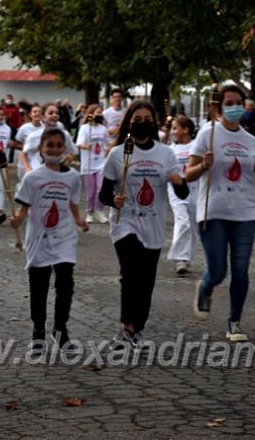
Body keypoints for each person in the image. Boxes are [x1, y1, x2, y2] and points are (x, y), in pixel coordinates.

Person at [186, 84, 255, 341]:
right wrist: (203, 165)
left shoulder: (250, 140)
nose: (235, 107)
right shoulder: (208, 134)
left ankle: (234, 322)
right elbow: (188, 173)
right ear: (218, 107)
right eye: (229, 103)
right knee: (218, 271)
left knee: (241, 270)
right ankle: (205, 287)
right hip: (213, 211)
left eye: (239, 102)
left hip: (245, 213)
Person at [98, 100, 189, 348]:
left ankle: (138, 328)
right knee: (130, 273)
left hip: (154, 225)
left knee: (146, 280)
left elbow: (183, 194)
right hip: (124, 223)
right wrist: (113, 200)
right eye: (137, 119)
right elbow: (103, 194)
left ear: (154, 122)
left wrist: (177, 180)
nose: (142, 123)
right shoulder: (118, 154)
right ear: (129, 122)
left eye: (147, 119)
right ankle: (126, 327)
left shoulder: (165, 154)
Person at [10, 127, 88, 348]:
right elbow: (24, 209)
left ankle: (60, 328)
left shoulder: (73, 177)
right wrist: (17, 220)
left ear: (64, 149)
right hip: (39, 238)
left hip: (64, 237)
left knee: (65, 284)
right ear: (41, 150)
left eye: (58, 145)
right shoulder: (32, 178)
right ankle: (38, 329)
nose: (54, 149)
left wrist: (79, 220)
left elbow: (72, 202)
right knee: (39, 286)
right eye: (49, 145)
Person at [167, 115, 199, 274]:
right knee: (183, 221)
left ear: (186, 130)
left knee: (193, 227)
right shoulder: (171, 150)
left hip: (195, 191)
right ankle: (179, 258)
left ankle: (186, 259)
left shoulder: (196, 147)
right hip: (176, 192)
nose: (172, 131)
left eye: (175, 128)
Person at [21, 103, 77, 175]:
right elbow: (23, 154)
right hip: (38, 174)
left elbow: (72, 152)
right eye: (51, 113)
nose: (54, 115)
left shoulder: (65, 135)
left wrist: (68, 159)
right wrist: (27, 169)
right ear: (42, 117)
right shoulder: (34, 136)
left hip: (57, 174)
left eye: (57, 113)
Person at [75, 104, 108, 224]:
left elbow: (107, 144)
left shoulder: (103, 129)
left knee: (102, 189)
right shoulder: (84, 128)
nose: (100, 114)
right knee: (91, 192)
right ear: (91, 114)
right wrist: (85, 146)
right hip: (88, 165)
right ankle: (89, 212)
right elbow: (79, 144)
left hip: (101, 164)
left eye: (101, 112)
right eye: (98, 112)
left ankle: (99, 210)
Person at [14, 104, 44, 180]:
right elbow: (16, 144)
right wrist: (29, 147)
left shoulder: (45, 128)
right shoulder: (24, 128)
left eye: (39, 112)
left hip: (39, 163)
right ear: (30, 115)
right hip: (24, 163)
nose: (37, 113)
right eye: (34, 111)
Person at [3, 94, 21, 164]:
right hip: (5, 127)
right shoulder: (3, 107)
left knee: (12, 143)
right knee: (5, 141)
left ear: (12, 99)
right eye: (7, 98)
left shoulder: (15, 108)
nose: (8, 100)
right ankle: (4, 157)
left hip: (13, 127)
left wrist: (19, 126)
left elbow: (18, 117)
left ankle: (11, 159)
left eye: (10, 98)